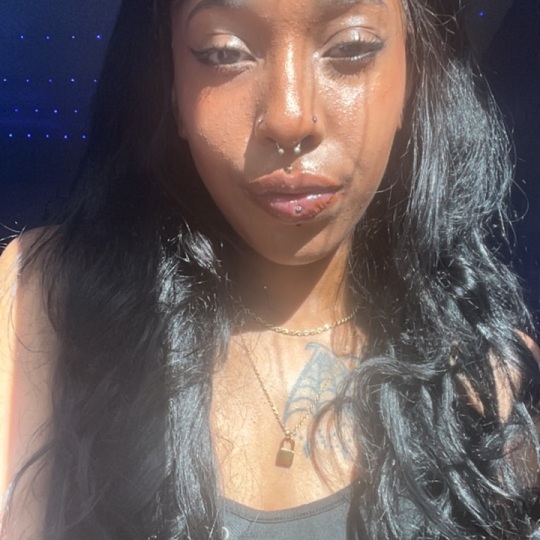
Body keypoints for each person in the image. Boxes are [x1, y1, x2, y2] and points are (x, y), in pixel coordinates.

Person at [1, 0, 540, 538]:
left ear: (412, 79)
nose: (288, 118)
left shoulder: (492, 381)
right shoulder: (47, 307)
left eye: (351, 48)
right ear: (172, 88)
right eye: (222, 52)